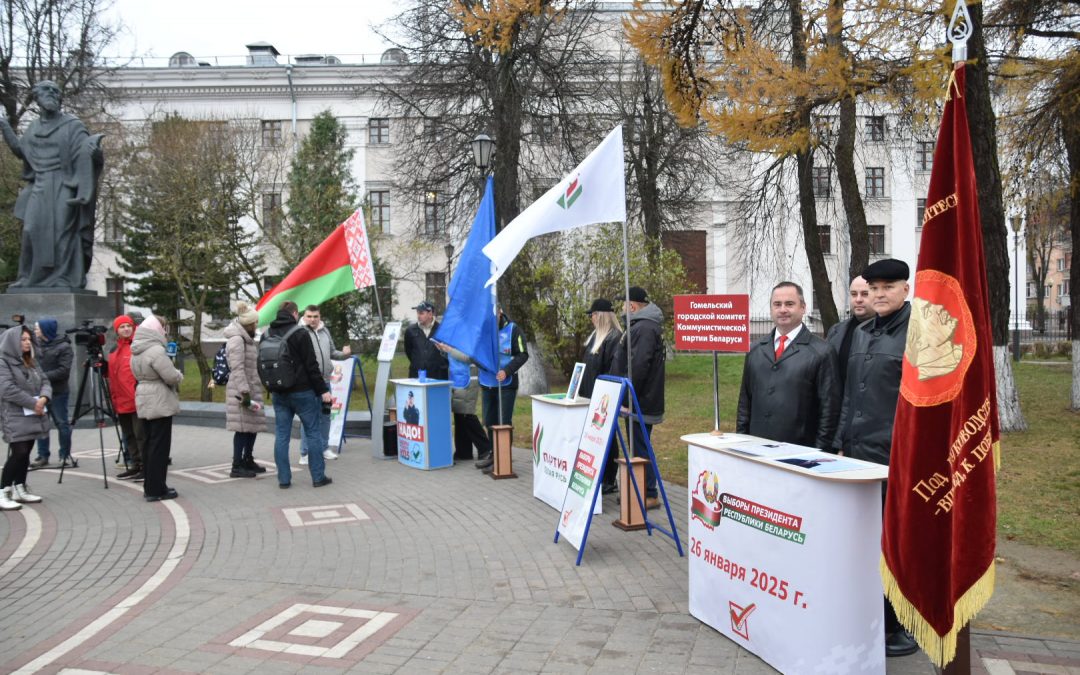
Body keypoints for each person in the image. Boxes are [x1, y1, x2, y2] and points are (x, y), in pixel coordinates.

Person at [833, 258, 917, 658]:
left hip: (898, 456)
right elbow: (850, 394)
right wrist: (841, 441)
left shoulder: (920, 335)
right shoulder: (863, 333)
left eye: (888, 287)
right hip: (859, 454)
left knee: (898, 544)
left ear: (906, 289)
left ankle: (902, 623)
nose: (879, 294)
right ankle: (872, 615)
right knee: (866, 542)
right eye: (874, 287)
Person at [0, 80, 103, 289]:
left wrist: (97, 156)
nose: (52, 93)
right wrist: (4, 126)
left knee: (62, 232)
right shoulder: (34, 127)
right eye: (46, 90)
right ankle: (29, 279)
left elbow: (86, 155)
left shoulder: (72, 125)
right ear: (36, 97)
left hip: (65, 185)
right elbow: (22, 151)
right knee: (30, 230)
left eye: (55, 91)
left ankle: (64, 278)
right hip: (40, 184)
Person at [736, 282, 839, 450]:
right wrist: (741, 442)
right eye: (777, 304)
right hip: (756, 448)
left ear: (803, 307)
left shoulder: (822, 352)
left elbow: (829, 410)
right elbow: (745, 403)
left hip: (800, 451)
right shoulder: (755, 350)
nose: (783, 309)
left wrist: (821, 453)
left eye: (789, 304)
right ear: (771, 308)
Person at [266, 301, 333, 489]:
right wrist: (323, 391)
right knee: (312, 432)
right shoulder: (300, 333)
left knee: (281, 436)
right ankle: (318, 477)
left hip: (279, 393)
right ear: (295, 314)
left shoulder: (267, 334)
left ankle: (284, 480)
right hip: (303, 392)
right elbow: (312, 366)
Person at [610, 286, 665, 510]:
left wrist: (625, 397)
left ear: (632, 306)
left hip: (639, 399)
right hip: (638, 398)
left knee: (640, 447)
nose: (622, 308)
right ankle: (640, 488)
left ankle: (649, 493)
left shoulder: (643, 328)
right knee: (636, 445)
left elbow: (638, 367)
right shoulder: (641, 326)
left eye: (624, 304)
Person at [130, 314, 183, 502]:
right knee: (160, 446)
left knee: (149, 444)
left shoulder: (136, 350)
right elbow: (170, 376)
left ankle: (150, 485)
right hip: (159, 398)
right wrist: (178, 374)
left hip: (143, 395)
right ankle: (157, 488)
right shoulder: (156, 350)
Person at [0, 325, 50, 509]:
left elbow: (45, 381)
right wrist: (33, 403)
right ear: (13, 342)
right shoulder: (3, 361)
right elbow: (6, 389)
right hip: (14, 414)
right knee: (19, 452)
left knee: (26, 452)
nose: (28, 342)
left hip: (33, 413)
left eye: (29, 339)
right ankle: (3, 491)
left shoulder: (31, 360)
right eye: (23, 339)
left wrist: (44, 398)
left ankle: (20, 486)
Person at [475, 306, 529, 472]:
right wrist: (484, 365)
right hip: (487, 382)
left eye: (494, 316)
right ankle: (493, 455)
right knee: (489, 420)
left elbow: (523, 354)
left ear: (500, 312)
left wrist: (507, 371)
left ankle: (502, 459)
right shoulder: (482, 330)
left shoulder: (513, 329)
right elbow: (473, 353)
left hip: (506, 384)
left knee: (503, 422)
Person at [580, 298, 623, 494]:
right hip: (590, 393)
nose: (591, 318)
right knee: (596, 436)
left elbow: (613, 370)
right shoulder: (595, 337)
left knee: (608, 437)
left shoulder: (614, 338)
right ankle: (601, 474)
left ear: (602, 316)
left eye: (593, 314)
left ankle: (609, 478)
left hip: (604, 397)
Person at [298, 304, 350, 465]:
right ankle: (305, 453)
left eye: (315, 317)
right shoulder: (300, 332)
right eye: (309, 316)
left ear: (319, 317)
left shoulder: (324, 330)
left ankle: (324, 447)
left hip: (326, 381)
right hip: (308, 383)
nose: (312, 320)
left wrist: (345, 354)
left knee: (325, 415)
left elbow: (333, 352)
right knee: (309, 418)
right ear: (304, 317)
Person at [224, 303, 266, 478]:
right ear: (248, 324)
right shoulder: (237, 340)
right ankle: (237, 465)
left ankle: (248, 459)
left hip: (251, 388)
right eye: (255, 323)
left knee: (251, 427)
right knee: (241, 429)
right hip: (241, 390)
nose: (256, 326)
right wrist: (245, 393)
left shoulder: (246, 339)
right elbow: (238, 368)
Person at [436, 343, 491, 462]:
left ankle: (486, 448)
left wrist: (450, 350)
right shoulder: (458, 335)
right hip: (457, 379)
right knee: (459, 414)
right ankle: (463, 452)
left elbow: (469, 357)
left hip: (468, 380)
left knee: (467, 414)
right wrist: (444, 350)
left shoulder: (471, 336)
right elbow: (453, 356)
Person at [31, 317, 73, 468]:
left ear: (45, 330)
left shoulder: (64, 347)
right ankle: (42, 456)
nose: (35, 331)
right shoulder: (35, 346)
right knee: (41, 424)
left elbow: (63, 371)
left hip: (58, 392)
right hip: (40, 392)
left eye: (37, 328)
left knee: (62, 423)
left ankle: (65, 456)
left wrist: (41, 377)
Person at [108, 315, 144, 480]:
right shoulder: (114, 350)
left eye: (128, 326)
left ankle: (145, 466)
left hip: (135, 399)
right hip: (120, 399)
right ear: (117, 330)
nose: (126, 329)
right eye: (122, 327)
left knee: (140, 435)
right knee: (128, 435)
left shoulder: (138, 346)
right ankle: (135, 464)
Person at [826, 276, 874, 396]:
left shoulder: (888, 331)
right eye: (853, 294)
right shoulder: (836, 331)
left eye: (865, 294)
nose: (858, 299)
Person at [403, 300, 448, 380]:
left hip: (438, 377)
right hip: (416, 376)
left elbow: (448, 352)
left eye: (421, 313)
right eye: (417, 313)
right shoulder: (410, 331)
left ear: (430, 314)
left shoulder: (443, 330)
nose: (418, 316)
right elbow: (409, 351)